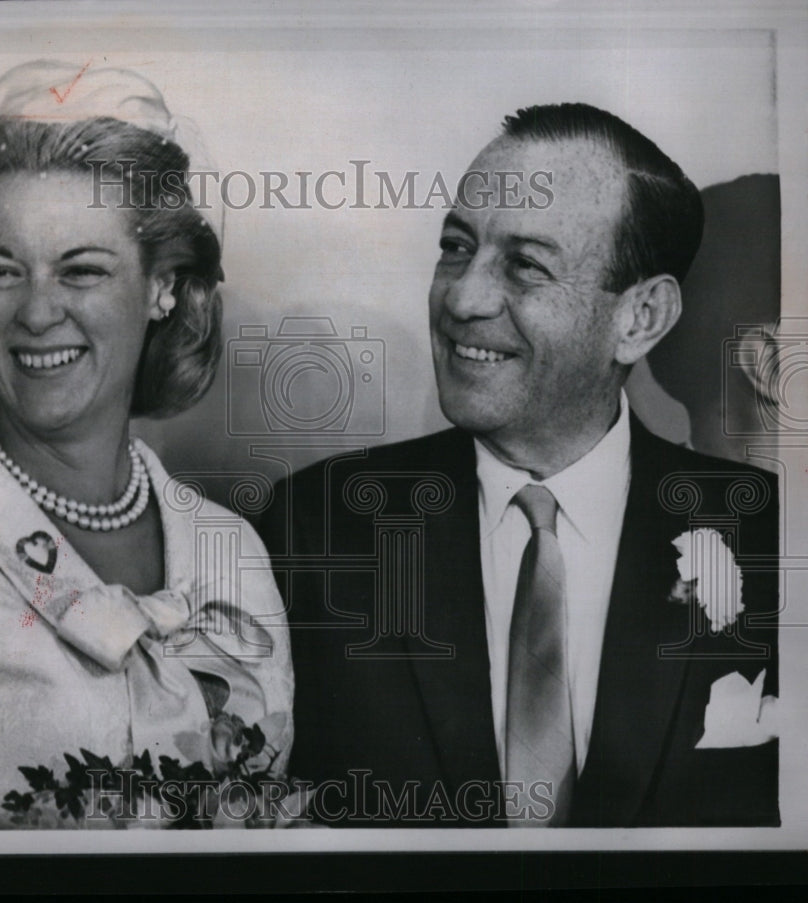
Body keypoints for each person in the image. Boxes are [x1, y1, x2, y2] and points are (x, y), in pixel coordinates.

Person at [259, 103, 779, 828]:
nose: (463, 298)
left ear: (641, 318)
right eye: (455, 247)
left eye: (526, 266)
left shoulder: (771, 536)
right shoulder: (314, 524)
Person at [0, 61, 293, 829]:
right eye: (0, 270)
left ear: (162, 285)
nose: (37, 312)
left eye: (82, 270)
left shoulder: (231, 554)